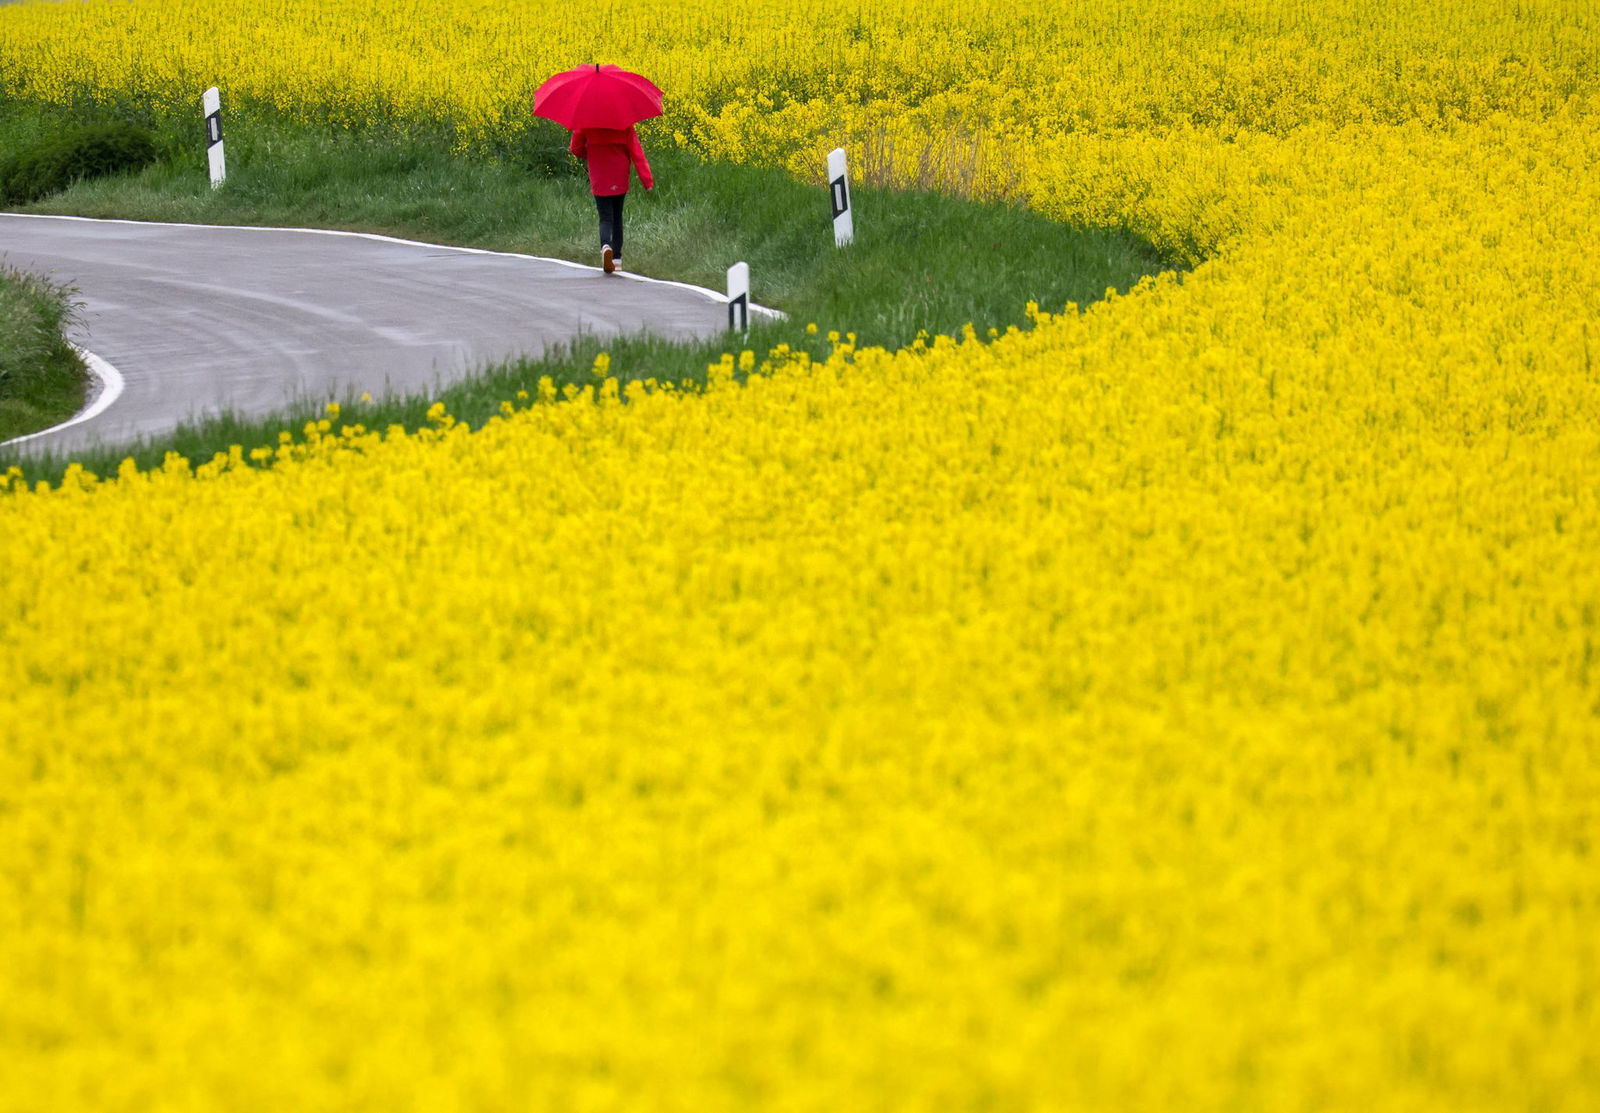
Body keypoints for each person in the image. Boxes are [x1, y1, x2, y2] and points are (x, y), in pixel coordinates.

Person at [569, 125, 653, 274]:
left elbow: (575, 148)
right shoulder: (624, 124)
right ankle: (616, 259)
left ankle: (606, 245)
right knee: (617, 216)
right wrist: (647, 181)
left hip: (599, 174)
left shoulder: (586, 123)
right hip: (619, 175)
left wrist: (591, 154)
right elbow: (637, 154)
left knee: (605, 217)